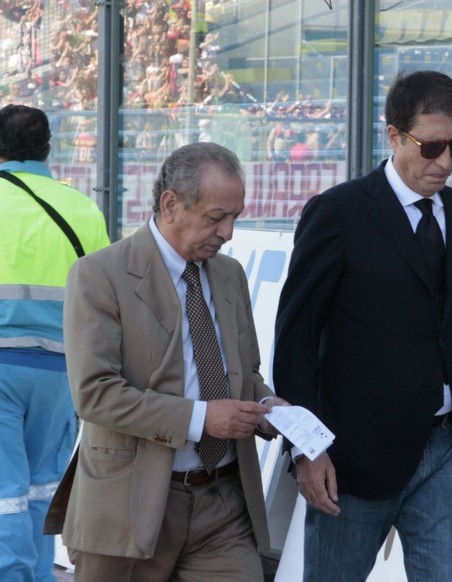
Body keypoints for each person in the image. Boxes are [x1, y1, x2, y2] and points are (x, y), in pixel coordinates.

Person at [274, 70, 452, 581]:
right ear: (394, 135)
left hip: (445, 445)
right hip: (353, 458)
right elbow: (295, 339)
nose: (445, 162)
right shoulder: (339, 213)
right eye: (432, 146)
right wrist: (307, 448)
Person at [44, 142, 287, 580]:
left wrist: (267, 407)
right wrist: (200, 419)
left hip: (223, 503)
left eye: (236, 216)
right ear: (170, 204)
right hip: (129, 505)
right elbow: (95, 394)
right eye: (216, 217)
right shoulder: (100, 275)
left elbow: (244, 373)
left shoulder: (229, 275)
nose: (229, 232)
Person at [0, 104, 109, 581]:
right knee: (43, 487)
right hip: (62, 371)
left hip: (2, 368)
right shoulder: (82, 208)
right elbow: (107, 296)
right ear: (47, 148)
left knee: (4, 493)